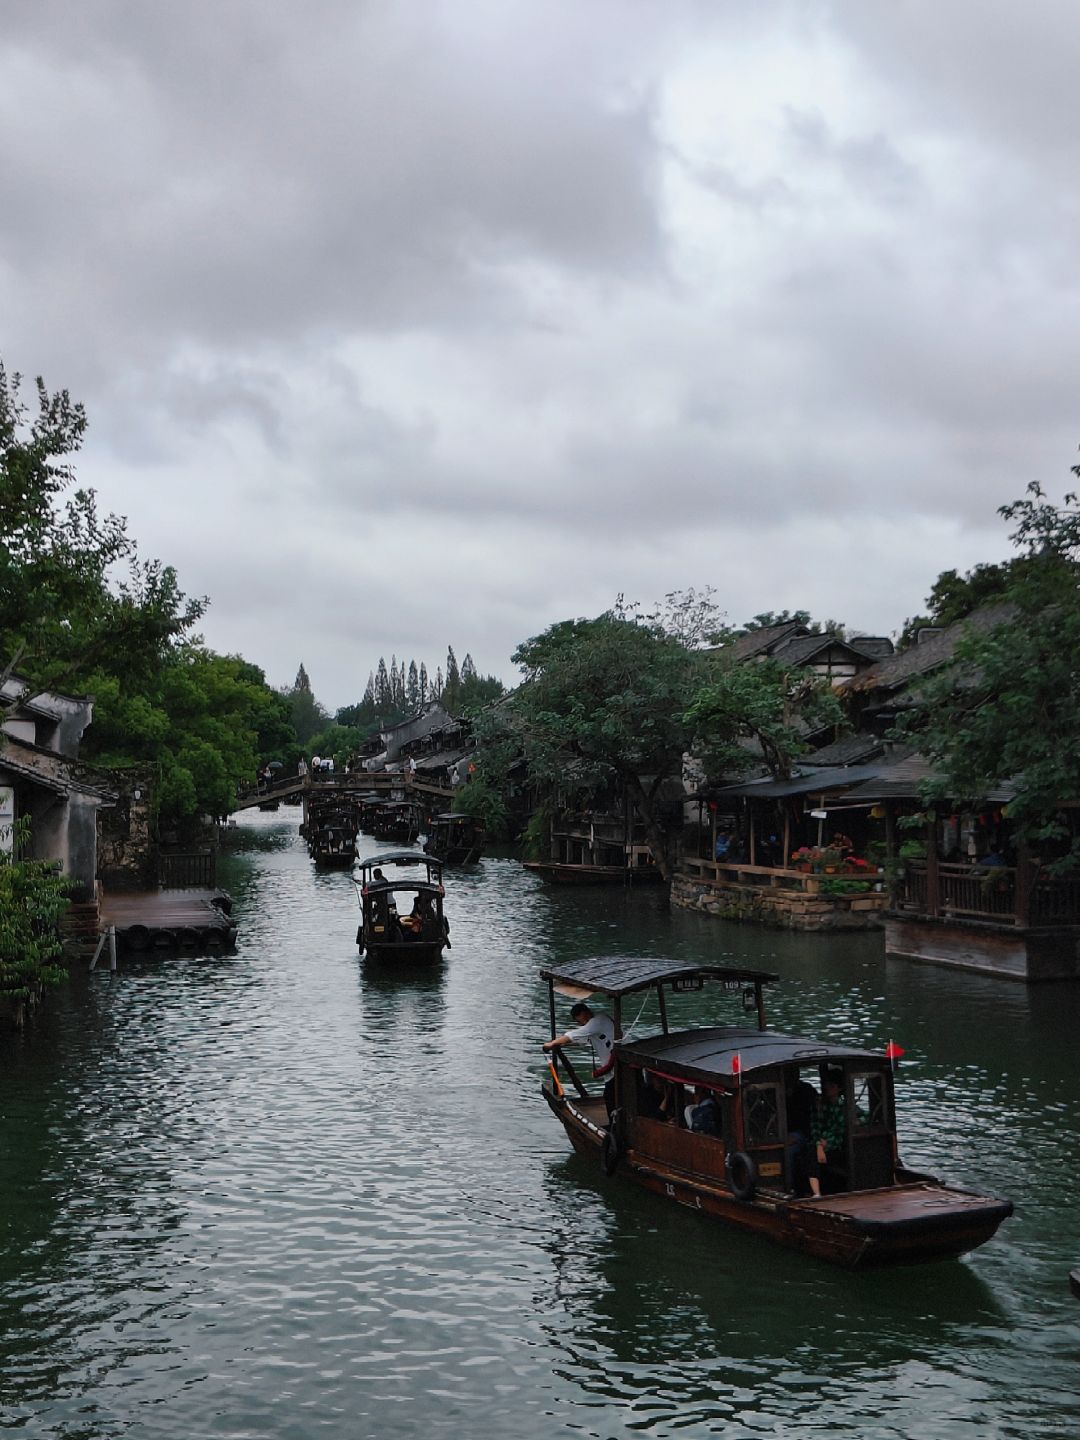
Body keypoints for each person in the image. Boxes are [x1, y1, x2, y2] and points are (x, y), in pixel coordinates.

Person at [543, 1002, 616, 1080]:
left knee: (610, 1090)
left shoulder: (597, 1021)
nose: (581, 1024)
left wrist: (552, 1043)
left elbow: (574, 1035)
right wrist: (559, 1042)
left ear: (584, 1013)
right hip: (612, 1069)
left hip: (616, 1065)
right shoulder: (597, 1024)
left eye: (580, 1021)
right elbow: (580, 1039)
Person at [785, 1072, 821, 1197]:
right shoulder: (781, 1090)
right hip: (785, 1132)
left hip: (802, 1133)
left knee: (789, 1152)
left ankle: (788, 1188)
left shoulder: (806, 1089)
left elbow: (812, 1117)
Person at [812, 1070, 846, 1182]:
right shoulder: (822, 1107)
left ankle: (816, 1192)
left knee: (811, 1157)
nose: (827, 1088)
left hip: (835, 1145)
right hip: (821, 1143)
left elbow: (837, 1130)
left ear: (839, 1089)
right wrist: (819, 1144)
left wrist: (858, 1122)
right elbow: (816, 1126)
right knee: (809, 1153)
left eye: (832, 1086)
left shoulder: (844, 1107)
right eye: (827, 1085)